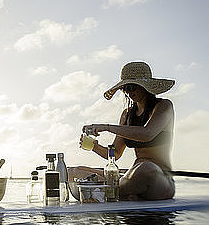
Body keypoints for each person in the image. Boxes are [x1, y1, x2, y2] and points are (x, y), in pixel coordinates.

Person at [69, 61, 176, 201]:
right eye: (125, 88)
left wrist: (107, 127)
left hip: (158, 178)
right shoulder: (127, 115)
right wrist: (94, 146)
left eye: (132, 87)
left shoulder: (163, 106)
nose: (128, 92)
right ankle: (120, 192)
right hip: (131, 177)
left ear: (144, 87)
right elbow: (115, 153)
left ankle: (103, 192)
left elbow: (147, 134)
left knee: (145, 169)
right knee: (73, 172)